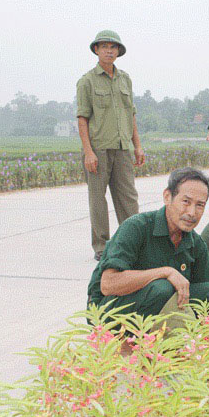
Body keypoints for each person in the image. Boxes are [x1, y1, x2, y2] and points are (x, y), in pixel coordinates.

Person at [86, 168, 209, 319]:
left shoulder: (196, 243)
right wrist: (165, 272)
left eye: (200, 205)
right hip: (110, 310)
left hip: (159, 307)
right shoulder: (136, 227)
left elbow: (205, 291)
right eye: (186, 201)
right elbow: (108, 285)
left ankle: (180, 337)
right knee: (162, 288)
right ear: (167, 197)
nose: (192, 212)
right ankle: (130, 339)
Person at [77, 30, 145, 261]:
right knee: (98, 198)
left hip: (123, 147)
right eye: (104, 46)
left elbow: (131, 115)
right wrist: (88, 152)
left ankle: (133, 241)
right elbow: (82, 118)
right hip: (98, 149)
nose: (109, 50)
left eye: (113, 47)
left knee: (128, 197)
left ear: (118, 51)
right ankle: (101, 246)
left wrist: (137, 145)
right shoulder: (87, 81)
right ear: (96, 50)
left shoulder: (125, 79)